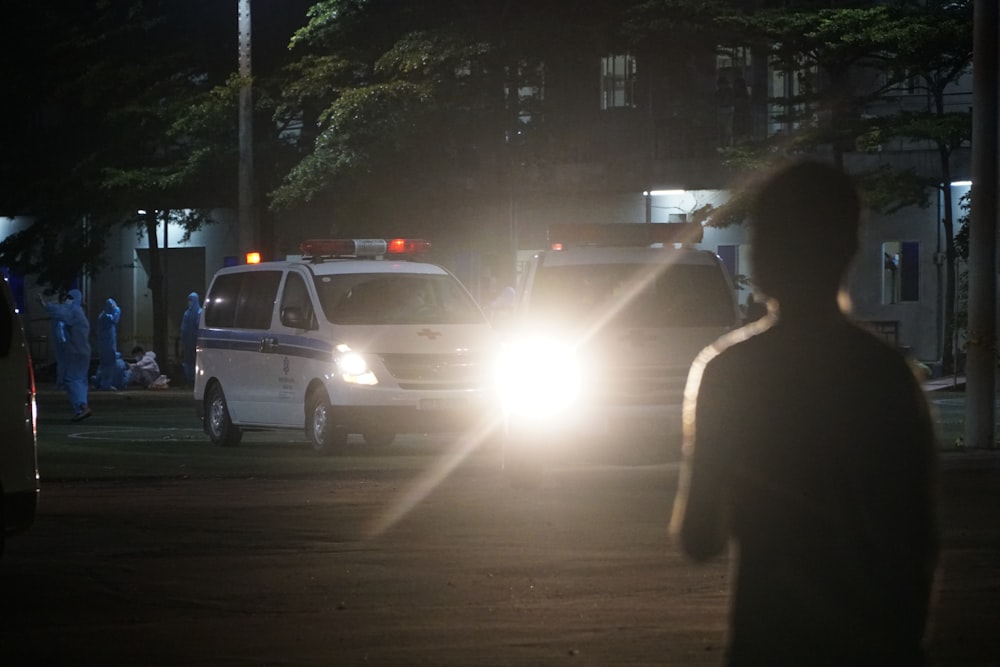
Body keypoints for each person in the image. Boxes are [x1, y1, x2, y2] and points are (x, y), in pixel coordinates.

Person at [670, 160, 939, 665]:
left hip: (769, 638)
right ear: (849, 251)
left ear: (762, 256)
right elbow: (917, 538)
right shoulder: (887, 376)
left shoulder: (729, 371)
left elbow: (699, 538)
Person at [39, 288, 92, 421]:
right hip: (82, 352)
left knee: (72, 380)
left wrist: (45, 304)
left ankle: (82, 406)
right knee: (79, 380)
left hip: (75, 352)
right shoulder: (79, 313)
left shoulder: (74, 311)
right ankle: (80, 408)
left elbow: (60, 312)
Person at [92, 297, 122, 390]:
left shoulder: (102, 315)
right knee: (109, 364)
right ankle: (105, 384)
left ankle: (99, 381)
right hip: (108, 345)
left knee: (104, 365)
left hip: (104, 344)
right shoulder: (107, 317)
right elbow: (115, 319)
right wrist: (117, 310)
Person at [179, 292, 202, 385]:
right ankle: (189, 379)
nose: (189, 302)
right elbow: (183, 328)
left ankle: (196, 379)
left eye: (191, 300)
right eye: (189, 300)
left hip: (196, 342)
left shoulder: (199, 312)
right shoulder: (187, 313)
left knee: (197, 360)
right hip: (188, 342)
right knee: (188, 360)